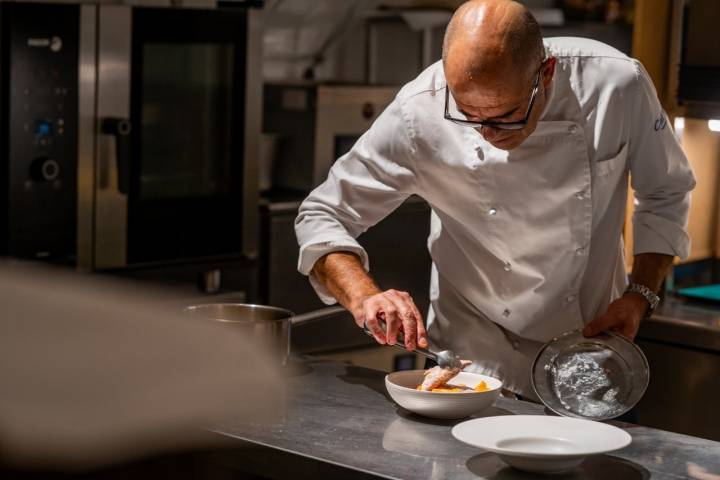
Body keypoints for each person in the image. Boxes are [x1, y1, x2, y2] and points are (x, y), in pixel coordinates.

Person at [294, 0, 695, 397]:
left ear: (547, 74)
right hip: (468, 358)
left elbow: (665, 190)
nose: (487, 132)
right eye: (468, 114)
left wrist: (640, 294)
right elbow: (322, 213)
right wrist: (364, 295)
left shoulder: (616, 85)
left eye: (506, 116)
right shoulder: (419, 111)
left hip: (588, 348)